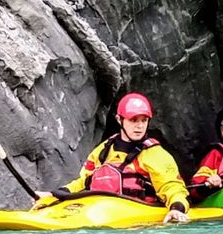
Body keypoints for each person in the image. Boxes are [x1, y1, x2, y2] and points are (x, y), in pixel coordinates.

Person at [37, 92, 191, 223]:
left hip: (138, 216)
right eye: (133, 120)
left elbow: (173, 187)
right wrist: (53, 194)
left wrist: (176, 209)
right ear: (119, 119)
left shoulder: (155, 154)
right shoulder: (104, 150)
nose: (139, 126)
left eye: (144, 120)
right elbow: (83, 181)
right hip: (99, 210)